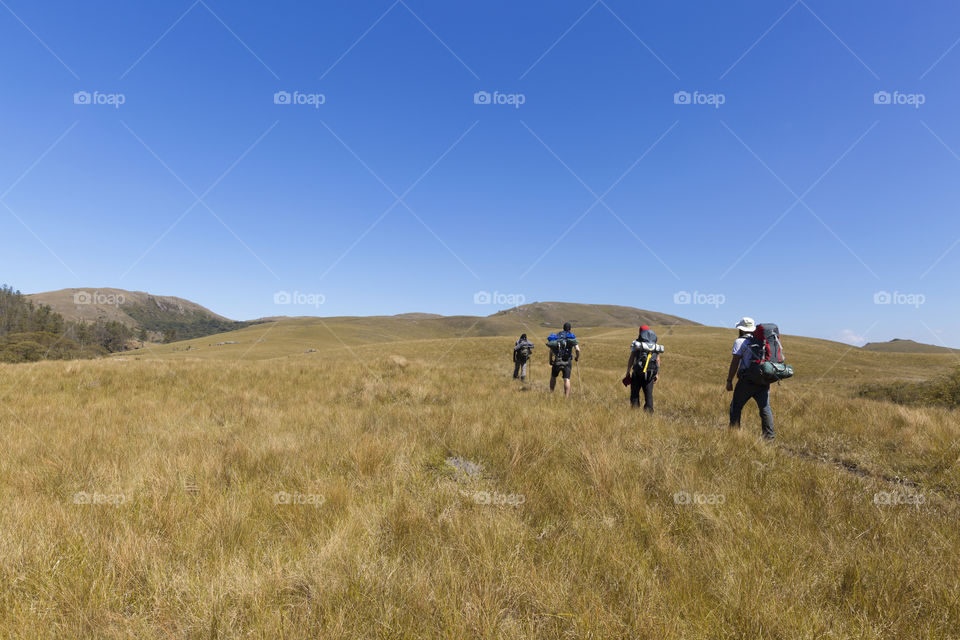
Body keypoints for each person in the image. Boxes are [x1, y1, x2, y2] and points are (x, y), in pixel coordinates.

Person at [726, 316, 775, 439]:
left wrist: (729, 380)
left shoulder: (740, 342)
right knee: (765, 409)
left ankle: (734, 435)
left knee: (736, 406)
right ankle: (769, 438)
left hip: (747, 380)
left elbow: (735, 362)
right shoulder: (761, 341)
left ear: (741, 329)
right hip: (763, 379)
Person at [626, 325, 660, 413]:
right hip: (650, 374)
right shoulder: (654, 345)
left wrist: (628, 372)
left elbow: (632, 358)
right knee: (648, 395)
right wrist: (656, 374)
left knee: (635, 394)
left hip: (637, 373)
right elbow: (657, 359)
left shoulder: (636, 343)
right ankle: (649, 416)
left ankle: (634, 413)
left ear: (640, 332)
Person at [548, 322, 580, 397]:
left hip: (557, 360)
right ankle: (566, 397)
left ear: (563, 328)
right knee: (566, 379)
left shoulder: (558, 336)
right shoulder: (571, 337)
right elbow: (578, 350)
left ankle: (551, 394)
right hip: (567, 360)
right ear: (570, 329)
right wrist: (577, 358)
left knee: (553, 377)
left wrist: (550, 360)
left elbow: (551, 350)